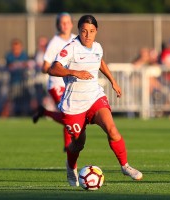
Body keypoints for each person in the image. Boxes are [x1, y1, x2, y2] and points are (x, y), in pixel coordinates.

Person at [48, 14, 143, 186]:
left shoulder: (98, 47)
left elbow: (99, 61)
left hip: (94, 97)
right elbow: (53, 68)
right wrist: (74, 72)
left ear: (96, 31)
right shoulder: (71, 48)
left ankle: (125, 166)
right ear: (79, 31)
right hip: (73, 105)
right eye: (84, 31)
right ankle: (71, 166)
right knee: (78, 144)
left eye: (91, 31)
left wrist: (113, 81)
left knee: (112, 130)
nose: (87, 35)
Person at [32, 12, 76, 152]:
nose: (65, 25)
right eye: (62, 23)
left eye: (67, 22)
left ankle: (45, 112)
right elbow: (45, 67)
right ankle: (68, 145)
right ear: (58, 25)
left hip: (71, 84)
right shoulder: (54, 43)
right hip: (57, 84)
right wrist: (60, 70)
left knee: (71, 115)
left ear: (72, 24)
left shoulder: (76, 40)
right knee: (68, 114)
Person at [2, 38, 29, 116]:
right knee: (9, 100)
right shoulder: (9, 55)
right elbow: (7, 66)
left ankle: (22, 115)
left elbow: (26, 64)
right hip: (12, 82)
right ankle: (5, 115)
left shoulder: (24, 55)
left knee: (22, 100)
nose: (16, 49)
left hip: (23, 82)